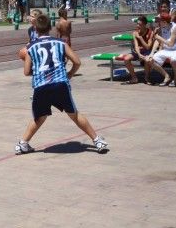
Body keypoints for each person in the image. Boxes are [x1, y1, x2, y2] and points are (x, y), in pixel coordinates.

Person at [14, 14, 108, 155]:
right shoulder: (60, 43)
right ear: (50, 28)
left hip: (41, 86)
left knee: (39, 117)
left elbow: (26, 72)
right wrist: (69, 74)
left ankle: (22, 144)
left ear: (36, 29)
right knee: (74, 115)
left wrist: (39, 70)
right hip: (60, 83)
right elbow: (77, 62)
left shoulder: (31, 48)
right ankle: (97, 140)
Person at [146, 13, 176, 87]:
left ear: (164, 22)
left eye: (159, 20)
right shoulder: (161, 27)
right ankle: (167, 76)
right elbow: (157, 41)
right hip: (166, 50)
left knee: (173, 60)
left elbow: (171, 44)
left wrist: (158, 37)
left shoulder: (175, 27)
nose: (157, 22)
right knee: (149, 60)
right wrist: (152, 53)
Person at [120, 15, 154, 85]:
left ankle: (146, 77)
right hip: (137, 52)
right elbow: (136, 46)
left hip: (146, 51)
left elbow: (148, 47)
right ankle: (134, 78)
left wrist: (141, 38)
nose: (138, 26)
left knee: (147, 59)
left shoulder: (150, 33)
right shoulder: (135, 33)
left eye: (140, 24)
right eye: (137, 24)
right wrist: (139, 55)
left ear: (145, 25)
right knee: (126, 59)